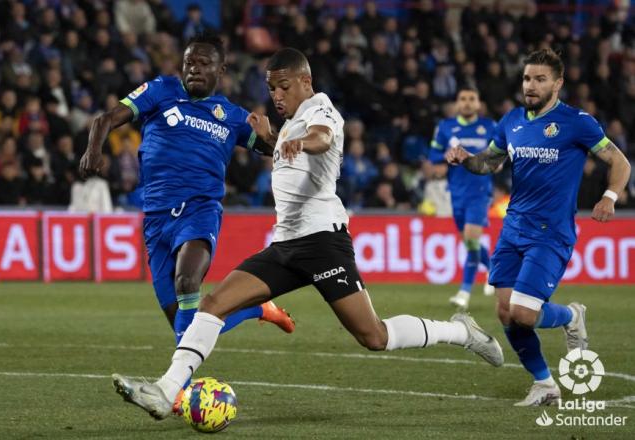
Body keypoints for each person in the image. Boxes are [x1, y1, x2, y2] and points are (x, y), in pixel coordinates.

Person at [111, 47, 504, 420]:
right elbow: (285, 148)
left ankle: (459, 330)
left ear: (305, 81)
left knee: (374, 336)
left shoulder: (322, 109)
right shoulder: (285, 126)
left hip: (323, 243)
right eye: (270, 89)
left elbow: (323, 137)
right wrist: (272, 135)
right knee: (212, 305)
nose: (277, 95)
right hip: (284, 245)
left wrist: (300, 141)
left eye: (284, 87)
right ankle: (165, 391)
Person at [79, 32, 294, 347]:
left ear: (220, 71)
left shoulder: (231, 116)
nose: (194, 68)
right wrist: (93, 151)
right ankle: (256, 309)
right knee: (186, 325)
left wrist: (273, 135)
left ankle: (178, 388)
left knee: (186, 280)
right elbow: (105, 120)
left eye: (204, 63)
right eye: (189, 62)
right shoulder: (160, 90)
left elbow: (279, 149)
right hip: (156, 216)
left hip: (199, 209)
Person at [445, 49, 631, 406]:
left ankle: (572, 315)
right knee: (504, 311)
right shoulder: (512, 121)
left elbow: (619, 161)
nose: (531, 85)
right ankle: (545, 383)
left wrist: (609, 196)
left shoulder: (577, 122)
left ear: (557, 83)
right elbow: (490, 163)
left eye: (540, 79)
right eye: (528, 78)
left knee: (524, 314)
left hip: (551, 232)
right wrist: (467, 160)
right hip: (513, 228)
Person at [429, 86, 496, 310]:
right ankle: (493, 270)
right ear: (457, 104)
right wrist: (446, 154)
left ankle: (464, 292)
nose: (467, 102)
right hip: (456, 192)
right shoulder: (446, 127)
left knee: (470, 239)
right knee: (470, 243)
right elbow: (432, 154)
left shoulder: (489, 127)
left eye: (471, 99)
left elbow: (499, 154)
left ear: (478, 104)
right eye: (463, 99)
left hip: (479, 190)